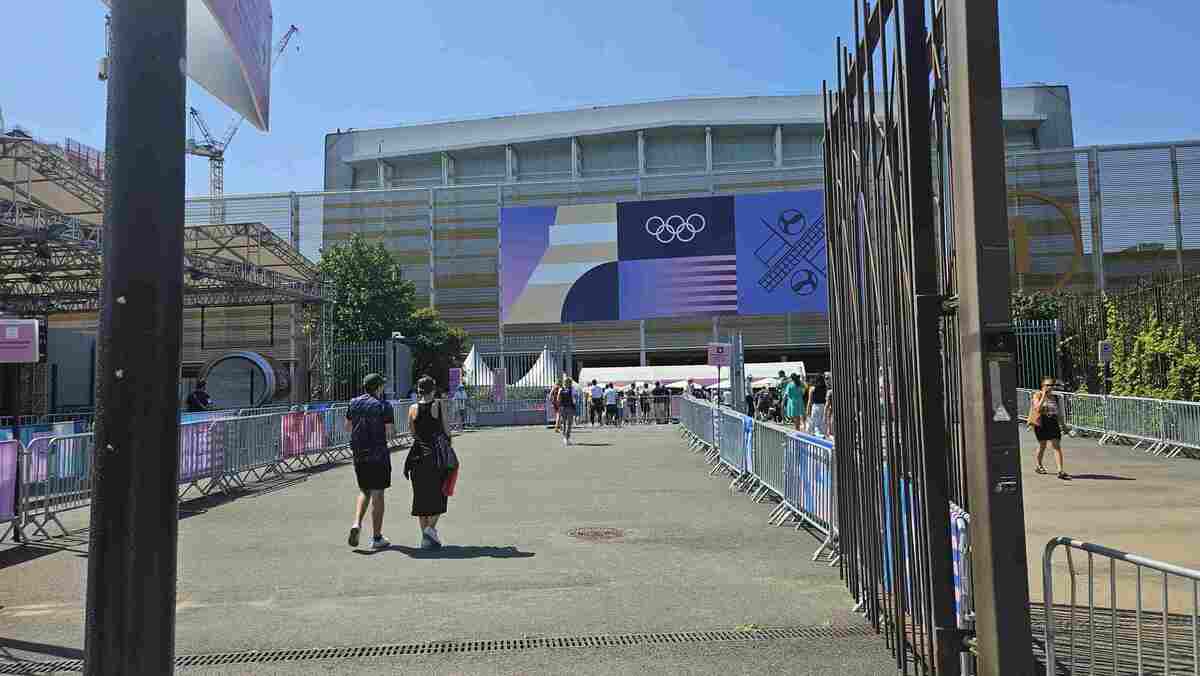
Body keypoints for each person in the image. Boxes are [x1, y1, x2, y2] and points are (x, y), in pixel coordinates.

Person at [346, 373, 395, 550]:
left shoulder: (353, 403)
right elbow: (390, 432)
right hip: (378, 454)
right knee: (378, 494)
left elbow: (348, 427)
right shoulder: (384, 406)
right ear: (378, 387)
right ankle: (376, 537)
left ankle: (356, 524)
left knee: (364, 491)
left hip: (359, 454)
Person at [405, 375, 453, 549]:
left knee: (421, 498)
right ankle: (429, 531)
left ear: (418, 391)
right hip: (436, 456)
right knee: (439, 495)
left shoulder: (412, 408)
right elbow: (447, 429)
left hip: (417, 455)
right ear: (433, 390)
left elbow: (412, 432)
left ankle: (426, 538)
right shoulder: (439, 405)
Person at [1029, 377, 1069, 480]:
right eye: (1047, 385)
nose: (1050, 387)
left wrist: (1063, 425)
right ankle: (1039, 465)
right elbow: (1037, 408)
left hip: (1052, 422)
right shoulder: (1037, 395)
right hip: (1041, 422)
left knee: (1056, 446)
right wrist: (1043, 396)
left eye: (1051, 385)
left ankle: (1060, 470)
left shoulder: (1055, 397)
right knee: (1042, 445)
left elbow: (1058, 412)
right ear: (1043, 386)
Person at [558, 377, 577, 445]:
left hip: (562, 408)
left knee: (564, 423)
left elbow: (558, 399)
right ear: (570, 383)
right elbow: (574, 399)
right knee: (569, 423)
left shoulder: (561, 389)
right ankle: (567, 438)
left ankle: (564, 437)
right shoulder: (572, 389)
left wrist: (560, 407)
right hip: (570, 407)